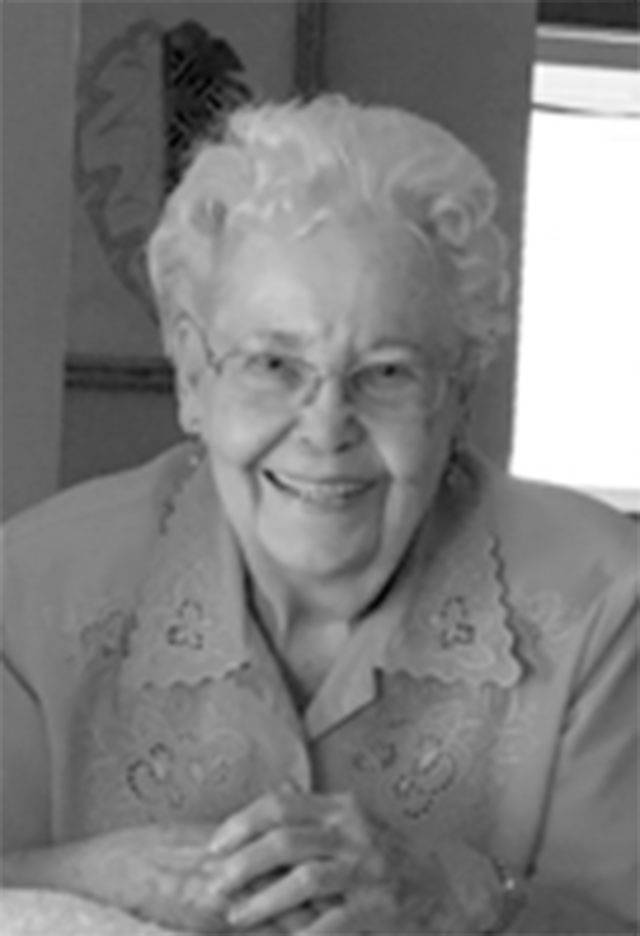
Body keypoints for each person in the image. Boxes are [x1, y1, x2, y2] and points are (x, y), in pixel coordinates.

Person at [1, 95, 636, 935]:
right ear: (192, 375)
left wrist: (458, 899)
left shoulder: (603, 602)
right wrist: (88, 876)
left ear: (460, 395)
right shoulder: (33, 590)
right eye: (273, 364)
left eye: (388, 372)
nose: (326, 427)